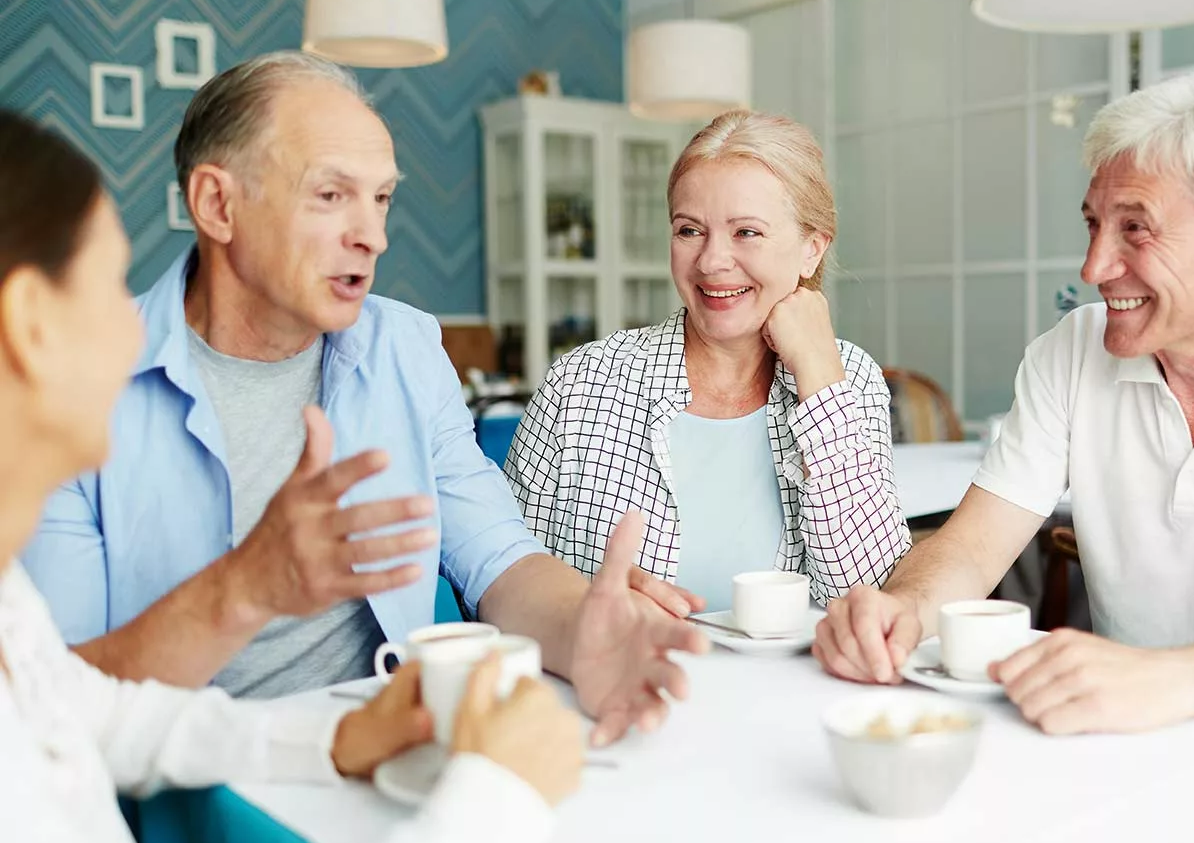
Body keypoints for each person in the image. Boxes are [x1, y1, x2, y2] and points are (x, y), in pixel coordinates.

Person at [20, 51, 704, 747]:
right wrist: (246, 585)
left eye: (381, 198)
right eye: (330, 195)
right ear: (217, 205)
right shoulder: (75, 376)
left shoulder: (404, 347)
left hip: (383, 753)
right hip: (184, 786)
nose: (372, 236)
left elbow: (498, 556)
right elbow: (50, 700)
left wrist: (581, 625)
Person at [0, 107, 592, 843]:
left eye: (382, 199)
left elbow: (88, 714)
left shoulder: (8, 610)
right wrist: (496, 803)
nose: (373, 236)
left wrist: (339, 737)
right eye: (109, 287)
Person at [815, 68, 1194, 733]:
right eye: (1094, 223)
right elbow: (971, 551)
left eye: (1136, 229)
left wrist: (1175, 678)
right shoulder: (1072, 350)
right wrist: (903, 608)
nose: (1092, 267)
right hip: (1123, 748)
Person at [504, 110, 910, 613]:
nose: (712, 261)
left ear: (811, 250)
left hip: (793, 691)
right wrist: (584, 607)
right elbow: (503, 582)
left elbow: (868, 598)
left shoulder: (852, 379)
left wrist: (820, 379)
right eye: (690, 230)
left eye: (746, 233)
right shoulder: (581, 382)